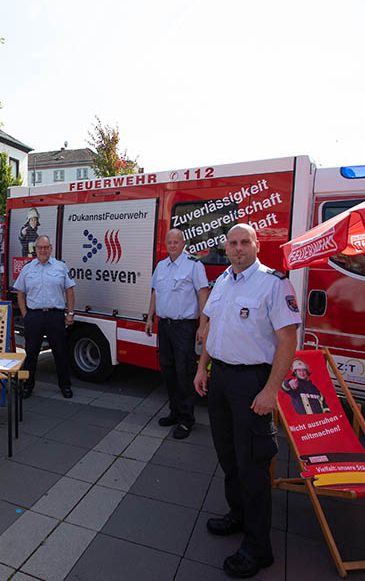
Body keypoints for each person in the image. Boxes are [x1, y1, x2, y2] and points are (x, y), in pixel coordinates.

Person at [193, 223, 300, 578]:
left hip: (252, 382)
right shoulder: (222, 281)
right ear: (226, 247)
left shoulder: (273, 283)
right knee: (228, 457)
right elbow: (210, 329)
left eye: (244, 242)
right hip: (221, 379)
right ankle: (237, 516)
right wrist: (202, 369)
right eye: (232, 243)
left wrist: (271, 390)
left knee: (253, 464)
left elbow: (287, 339)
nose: (238, 248)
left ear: (256, 245)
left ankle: (258, 548)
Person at [145, 228, 209, 439]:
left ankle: (186, 419)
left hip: (184, 328)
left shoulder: (194, 265)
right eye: (169, 242)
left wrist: (202, 325)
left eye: (176, 242)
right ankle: (174, 412)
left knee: (185, 373)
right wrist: (149, 318)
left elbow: (202, 294)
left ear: (183, 243)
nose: (172, 245)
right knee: (168, 372)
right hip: (165, 325)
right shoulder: (161, 266)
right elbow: (155, 292)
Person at [13, 235, 75, 398]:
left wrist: (70, 313)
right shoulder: (28, 268)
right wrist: (26, 315)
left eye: (46, 247)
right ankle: (27, 385)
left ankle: (65, 386)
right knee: (31, 353)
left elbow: (69, 290)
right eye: (40, 247)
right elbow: (20, 293)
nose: (43, 250)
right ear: (36, 249)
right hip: (34, 316)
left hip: (55, 316)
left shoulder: (60, 267)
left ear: (51, 248)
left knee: (60, 353)